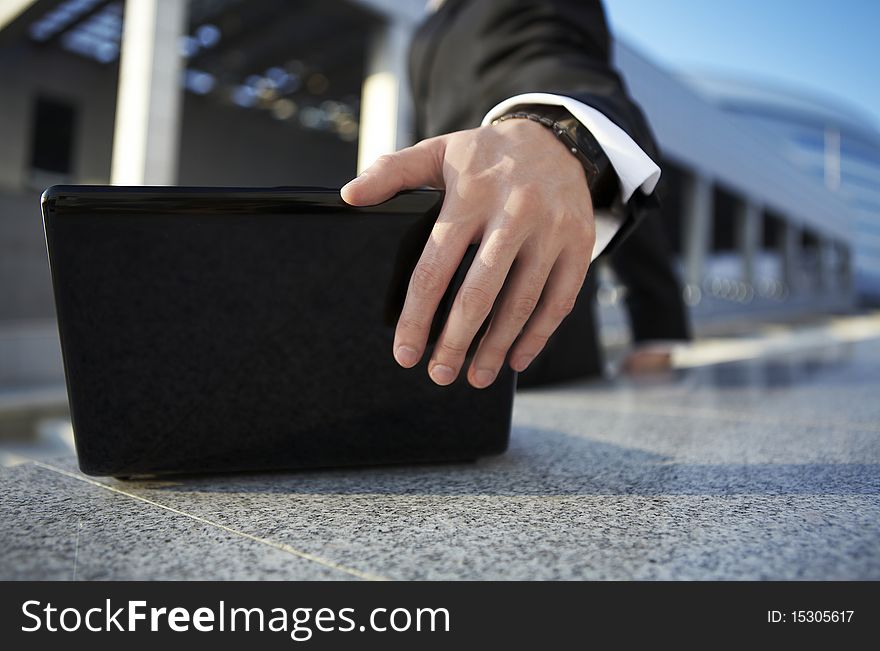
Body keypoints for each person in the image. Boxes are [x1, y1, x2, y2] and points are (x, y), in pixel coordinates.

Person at [341, 0, 686, 388]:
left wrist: (554, 132)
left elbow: (587, 94)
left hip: (537, 336)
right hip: (440, 320)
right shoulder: (428, 25)